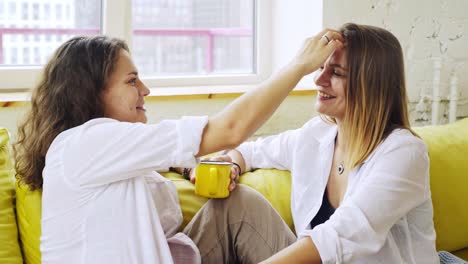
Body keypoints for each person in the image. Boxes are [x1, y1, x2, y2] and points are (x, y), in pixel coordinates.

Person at [13, 29, 343, 263]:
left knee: (238, 206)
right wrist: (299, 65)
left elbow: (158, 161)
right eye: (131, 81)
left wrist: (186, 166)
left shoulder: (115, 153)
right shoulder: (83, 144)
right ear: (91, 93)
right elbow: (229, 129)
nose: (145, 90)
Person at [207, 23, 439, 263]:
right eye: (321, 67)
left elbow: (339, 237)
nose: (319, 79)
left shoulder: (404, 153)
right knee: (237, 204)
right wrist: (232, 163)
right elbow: (251, 151)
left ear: (371, 84)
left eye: (336, 73)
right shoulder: (316, 135)